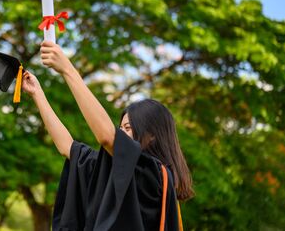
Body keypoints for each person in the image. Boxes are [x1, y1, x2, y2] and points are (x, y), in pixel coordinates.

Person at [21, 41, 194, 231]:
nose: (121, 134)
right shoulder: (113, 171)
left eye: (128, 128)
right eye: (120, 128)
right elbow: (67, 147)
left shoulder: (153, 174)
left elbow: (106, 137)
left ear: (152, 135)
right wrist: (37, 94)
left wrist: (67, 69)